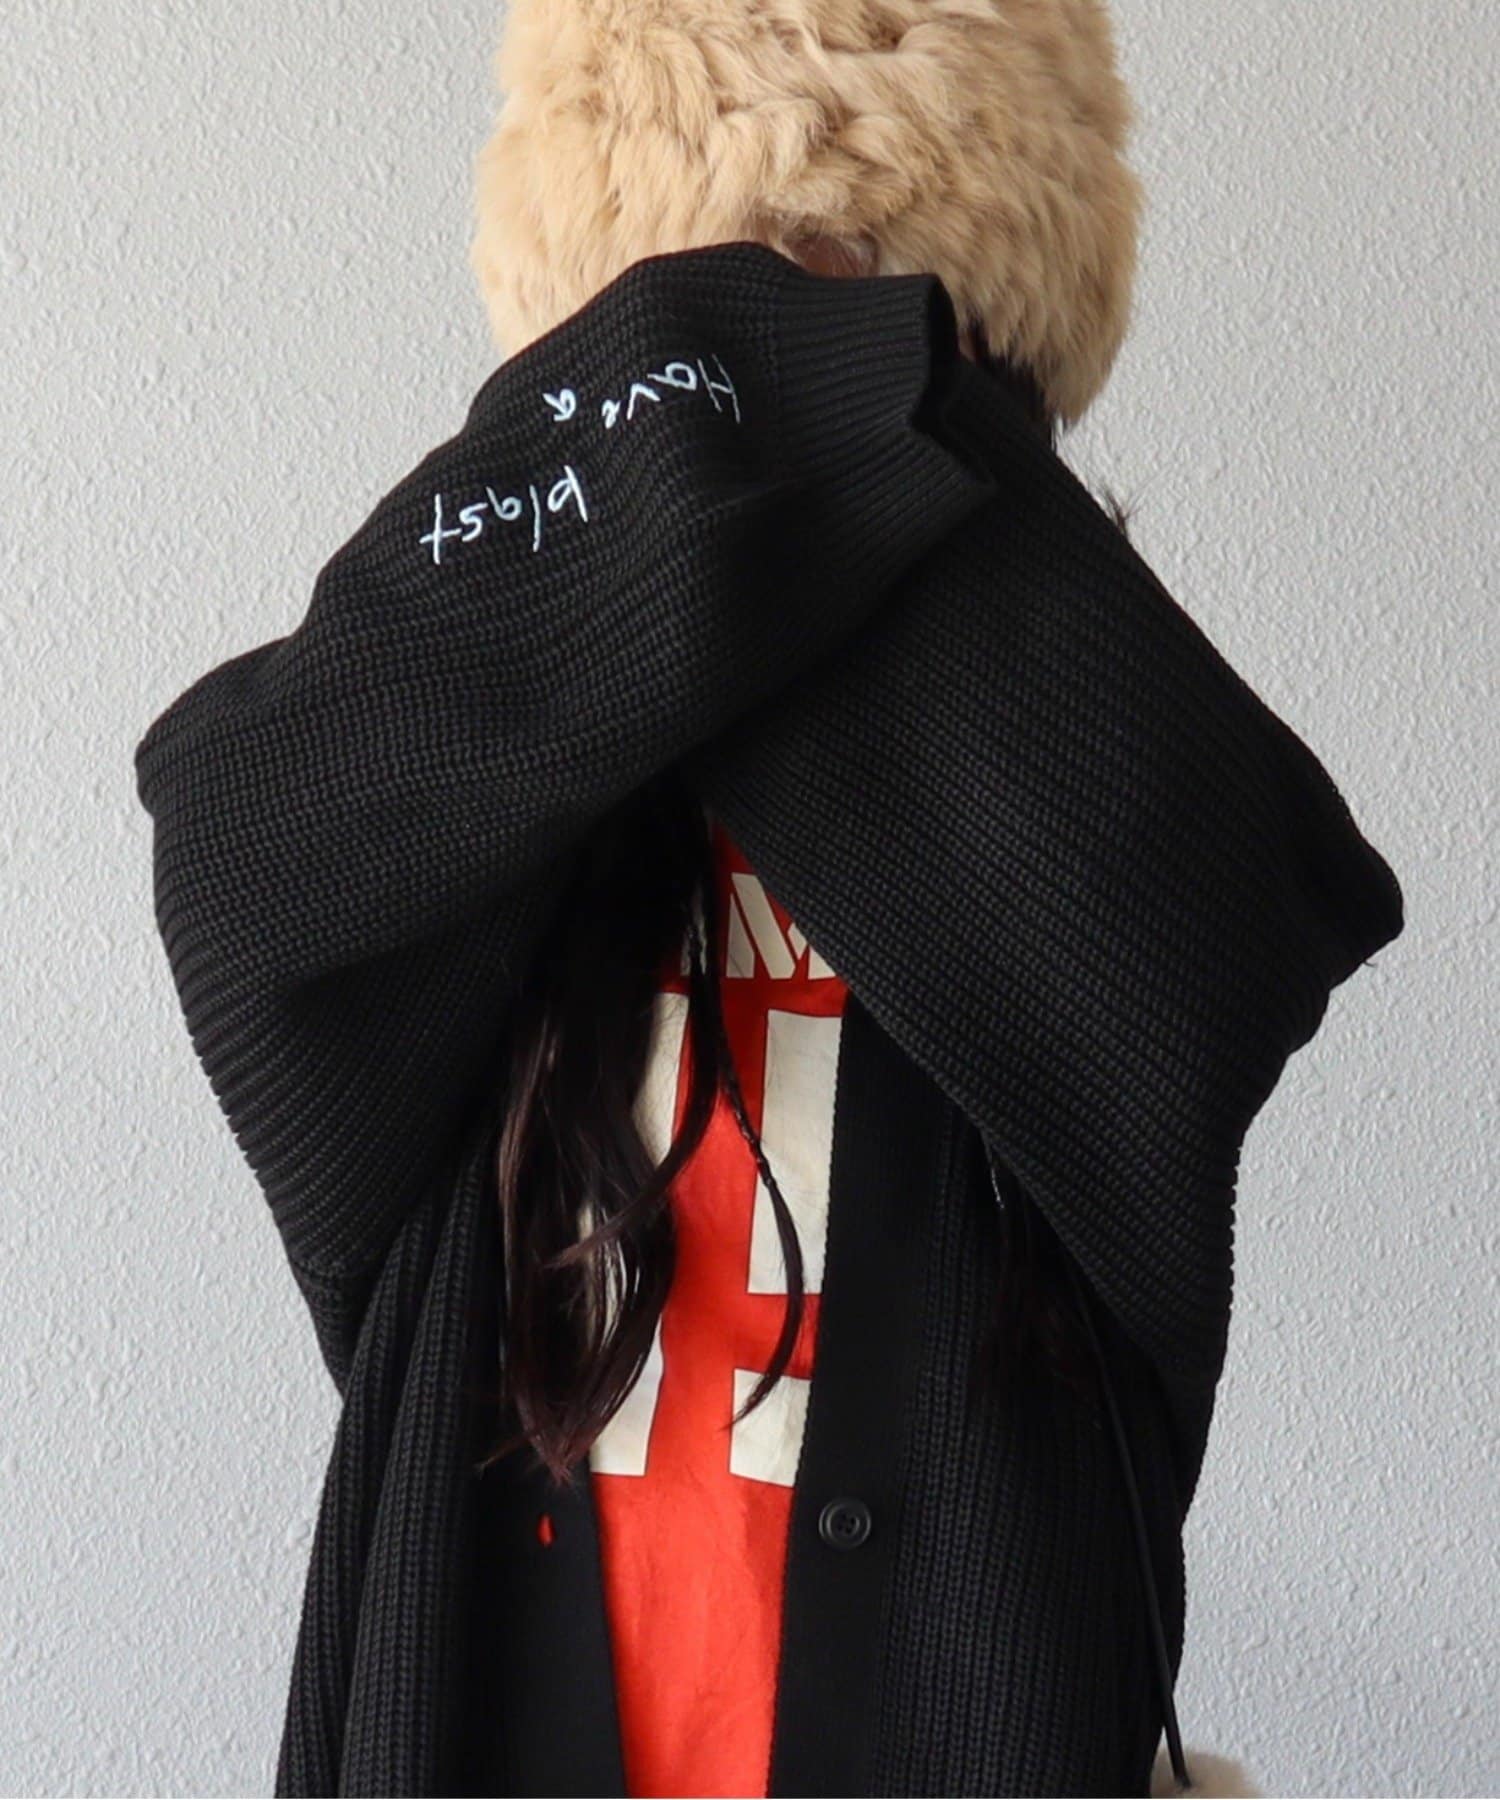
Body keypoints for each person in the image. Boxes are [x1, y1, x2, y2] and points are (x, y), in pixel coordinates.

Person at [133, 5, 1403, 1796]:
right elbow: (239, 845)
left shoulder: (1058, 725)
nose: (779, 327)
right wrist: (688, 366)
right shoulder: (499, 760)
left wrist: (895, 382)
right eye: (717, 315)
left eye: (830, 320)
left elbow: (1231, 921)